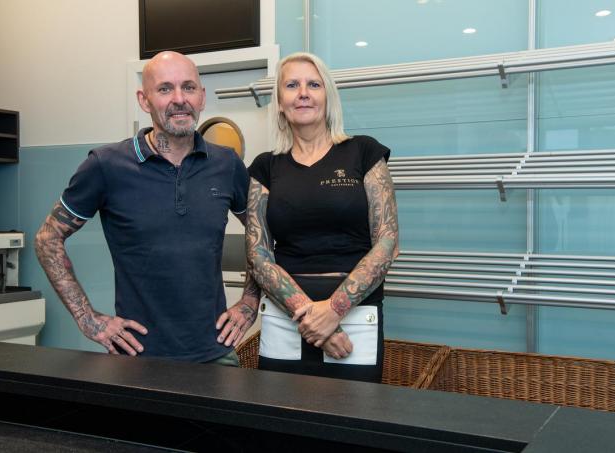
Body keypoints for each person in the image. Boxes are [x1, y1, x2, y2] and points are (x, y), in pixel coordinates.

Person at [35, 51, 260, 364]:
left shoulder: (226, 163)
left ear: (202, 97)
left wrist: (249, 301)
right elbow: (47, 238)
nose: (179, 99)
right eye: (165, 89)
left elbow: (262, 232)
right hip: (138, 357)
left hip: (216, 352)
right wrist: (89, 320)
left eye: (188, 87)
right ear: (144, 100)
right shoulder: (106, 165)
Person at [246, 52, 399, 382]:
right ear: (280, 102)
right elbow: (258, 255)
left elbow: (387, 242)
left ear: (328, 96)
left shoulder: (364, 152)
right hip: (286, 315)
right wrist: (309, 316)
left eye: (313, 84)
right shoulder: (265, 166)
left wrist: (332, 311)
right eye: (292, 85)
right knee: (278, 408)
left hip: (355, 315)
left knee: (354, 410)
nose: (303, 93)